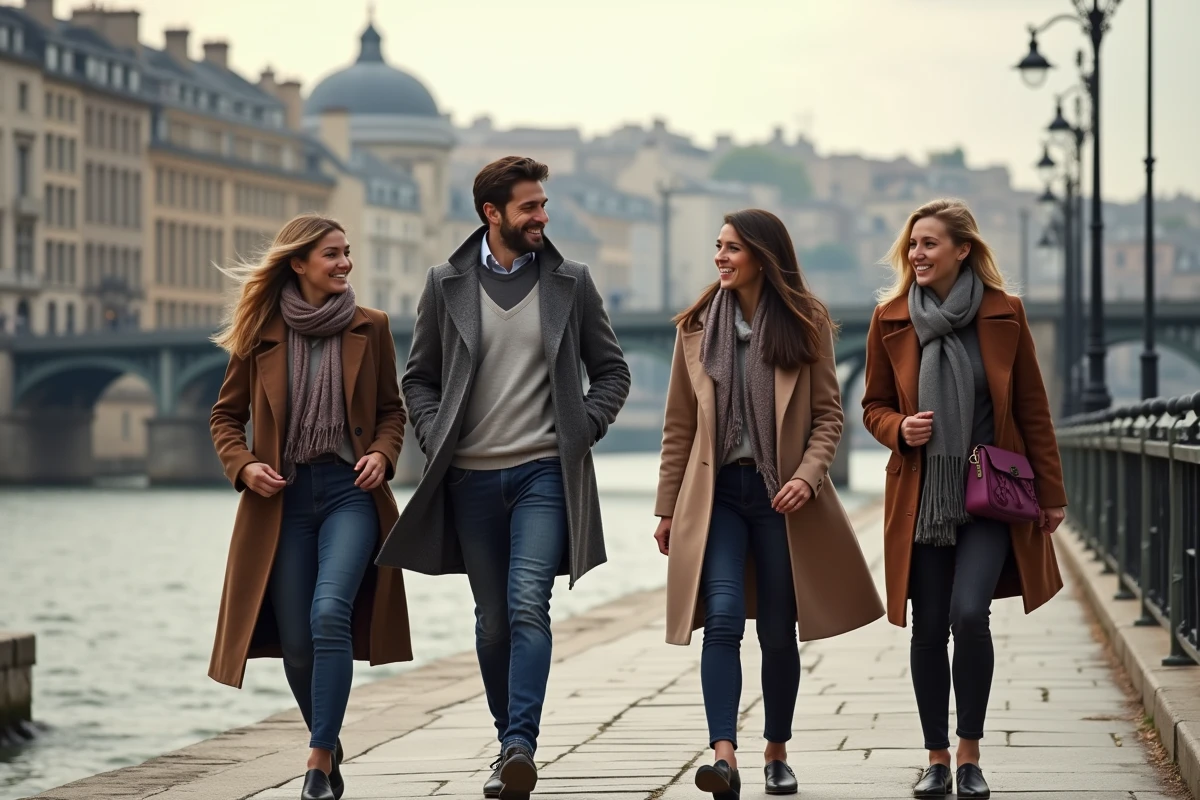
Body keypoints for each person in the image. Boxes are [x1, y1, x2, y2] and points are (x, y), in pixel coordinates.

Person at [375, 157, 631, 800]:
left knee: (526, 604)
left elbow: (612, 371)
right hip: (469, 481)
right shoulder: (445, 283)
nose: (542, 216)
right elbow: (419, 379)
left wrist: (582, 430)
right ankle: (505, 743)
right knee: (491, 621)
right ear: (492, 214)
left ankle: (521, 745)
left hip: (544, 472)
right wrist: (435, 438)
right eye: (530, 207)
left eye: (543, 205)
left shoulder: (571, 282)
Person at [654, 209, 884, 799]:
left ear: (762, 255)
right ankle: (723, 755)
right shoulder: (698, 327)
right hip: (718, 498)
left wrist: (808, 477)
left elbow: (830, 415)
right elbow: (679, 427)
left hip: (782, 500)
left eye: (731, 248)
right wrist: (665, 509)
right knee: (723, 619)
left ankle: (776, 752)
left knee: (779, 630)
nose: (720, 258)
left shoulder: (805, 325)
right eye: (717, 246)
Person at [861, 198, 1067, 799]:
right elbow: (872, 405)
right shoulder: (891, 318)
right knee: (927, 631)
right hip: (922, 495)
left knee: (969, 613)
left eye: (929, 244)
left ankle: (971, 755)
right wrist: (899, 428)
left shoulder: (1005, 315)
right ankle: (936, 758)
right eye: (912, 245)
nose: (917, 255)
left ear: (962, 250)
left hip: (989, 494)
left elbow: (1032, 408)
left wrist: (1051, 493)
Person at [208, 213, 412, 800]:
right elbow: (225, 417)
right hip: (283, 501)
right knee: (297, 639)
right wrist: (244, 466)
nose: (345, 263)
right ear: (298, 263)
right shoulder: (258, 334)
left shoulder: (371, 327)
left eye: (347, 253)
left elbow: (391, 411)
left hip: (349, 493)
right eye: (332, 254)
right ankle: (328, 738)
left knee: (330, 615)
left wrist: (380, 452)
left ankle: (318, 761)